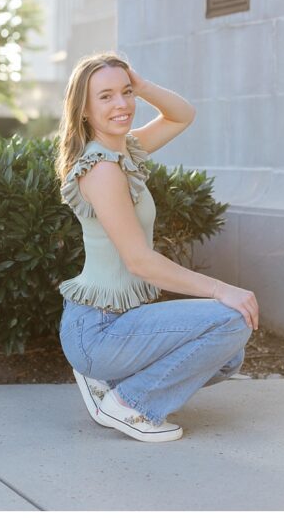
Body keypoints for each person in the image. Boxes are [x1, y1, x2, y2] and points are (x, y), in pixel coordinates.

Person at [55, 53, 258, 442]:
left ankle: (111, 381)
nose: (122, 105)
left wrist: (143, 86)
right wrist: (220, 288)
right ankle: (130, 403)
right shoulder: (101, 169)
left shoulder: (124, 151)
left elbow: (182, 115)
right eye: (106, 97)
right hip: (98, 328)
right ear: (82, 108)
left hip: (118, 323)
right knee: (230, 321)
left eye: (125, 93)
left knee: (228, 356)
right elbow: (139, 261)